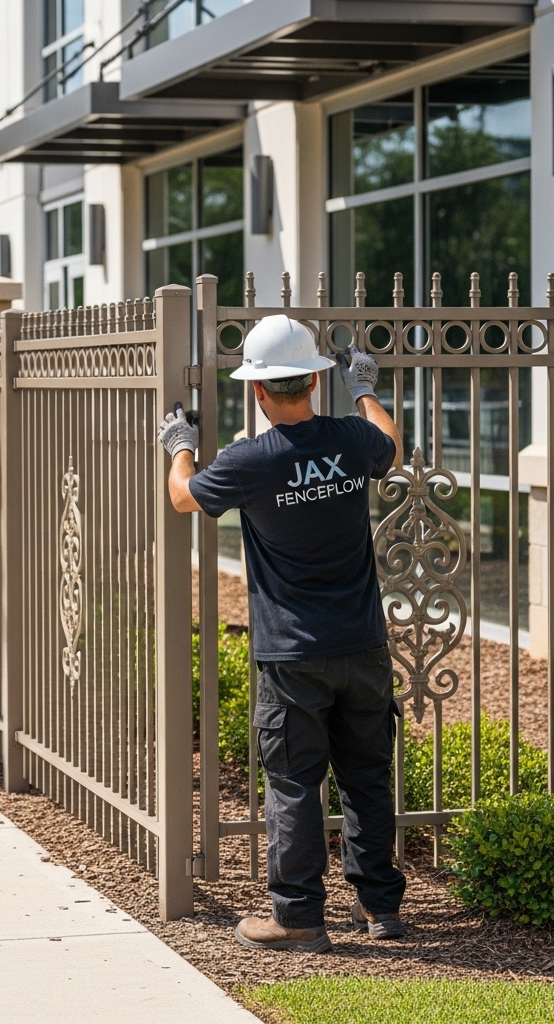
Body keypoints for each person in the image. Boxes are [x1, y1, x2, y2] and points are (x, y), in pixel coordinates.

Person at [157, 314, 406, 953]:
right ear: (315, 385)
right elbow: (392, 446)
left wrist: (179, 443)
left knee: (295, 782)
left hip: (294, 654)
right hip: (363, 645)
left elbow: (183, 497)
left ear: (259, 392)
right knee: (368, 775)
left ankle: (297, 918)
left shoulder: (251, 461)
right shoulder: (353, 439)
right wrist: (366, 390)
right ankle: (380, 907)